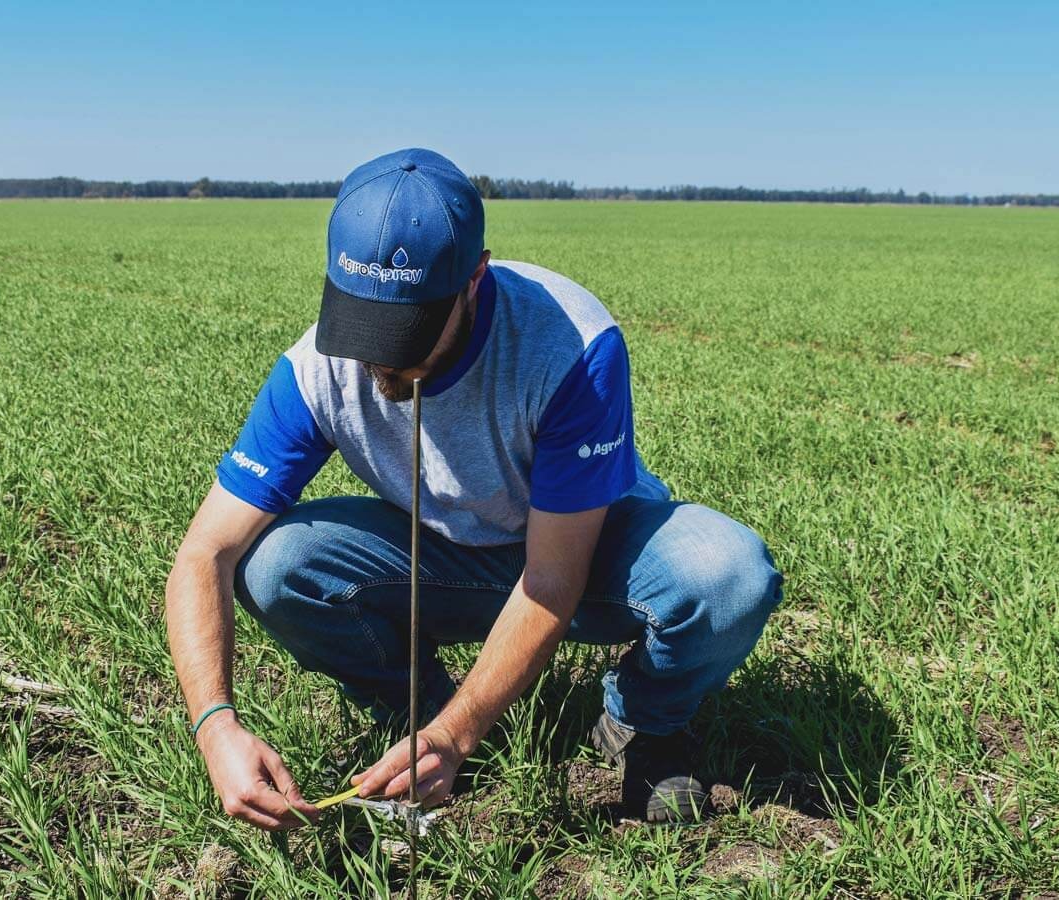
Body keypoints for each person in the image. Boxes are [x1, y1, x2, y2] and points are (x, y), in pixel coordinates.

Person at [164, 148, 782, 829]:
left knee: (726, 575)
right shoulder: (314, 370)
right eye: (366, 327)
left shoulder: (569, 345)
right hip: (445, 555)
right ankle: (420, 716)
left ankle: (645, 723)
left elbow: (552, 578)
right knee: (273, 563)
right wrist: (216, 726)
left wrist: (461, 734)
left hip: (586, 552)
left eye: (409, 332)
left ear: (474, 279)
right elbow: (205, 553)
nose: (383, 358)